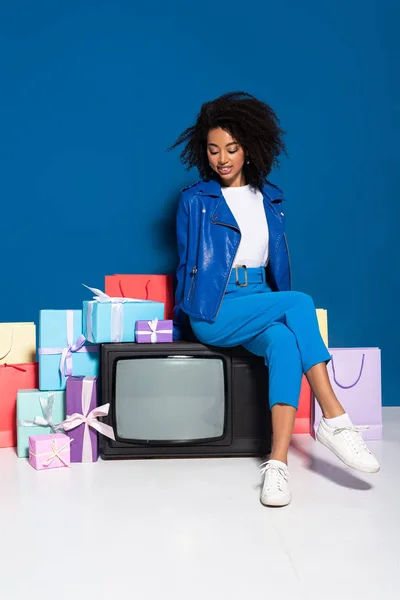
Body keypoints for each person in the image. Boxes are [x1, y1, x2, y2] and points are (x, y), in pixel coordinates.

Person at [169, 91, 379, 507]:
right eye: (213, 150)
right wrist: (184, 317)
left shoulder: (271, 200)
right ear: (203, 153)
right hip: (216, 308)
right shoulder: (195, 200)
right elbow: (186, 265)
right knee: (300, 303)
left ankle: (277, 465)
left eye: (231, 148)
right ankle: (335, 419)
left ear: (249, 148)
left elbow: (274, 263)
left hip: (260, 298)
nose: (222, 159)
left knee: (284, 343)